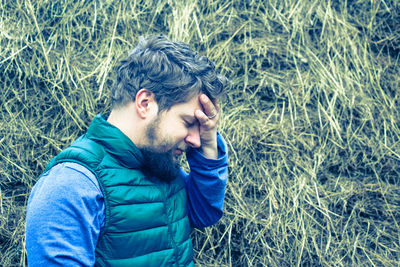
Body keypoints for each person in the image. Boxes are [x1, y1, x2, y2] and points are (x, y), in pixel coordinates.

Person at [26, 35, 229, 266]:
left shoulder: (158, 163)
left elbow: (204, 213)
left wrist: (210, 142)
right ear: (145, 103)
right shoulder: (72, 186)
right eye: (187, 122)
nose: (196, 140)